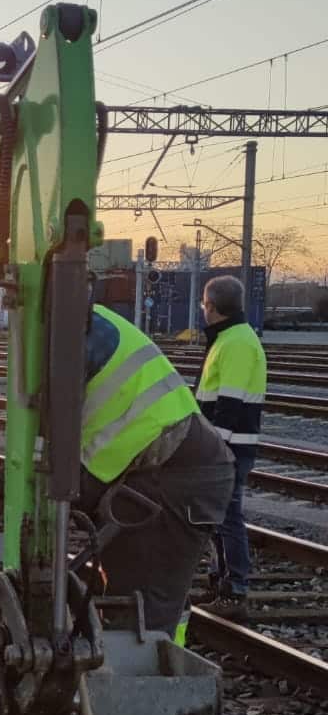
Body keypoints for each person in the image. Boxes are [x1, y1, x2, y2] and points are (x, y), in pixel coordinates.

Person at [78, 301, 234, 640]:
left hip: (177, 479)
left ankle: (156, 678)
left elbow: (82, 482)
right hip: (167, 472)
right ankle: (145, 668)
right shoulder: (88, 323)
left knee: (145, 607)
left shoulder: (73, 336)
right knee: (132, 596)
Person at [196, 273, 268, 599]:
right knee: (219, 516)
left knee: (228, 515)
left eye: (203, 304)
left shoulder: (236, 341)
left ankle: (236, 584)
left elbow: (230, 402)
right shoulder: (229, 338)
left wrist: (215, 446)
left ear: (211, 307)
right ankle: (223, 578)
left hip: (231, 446)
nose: (202, 309)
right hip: (227, 444)